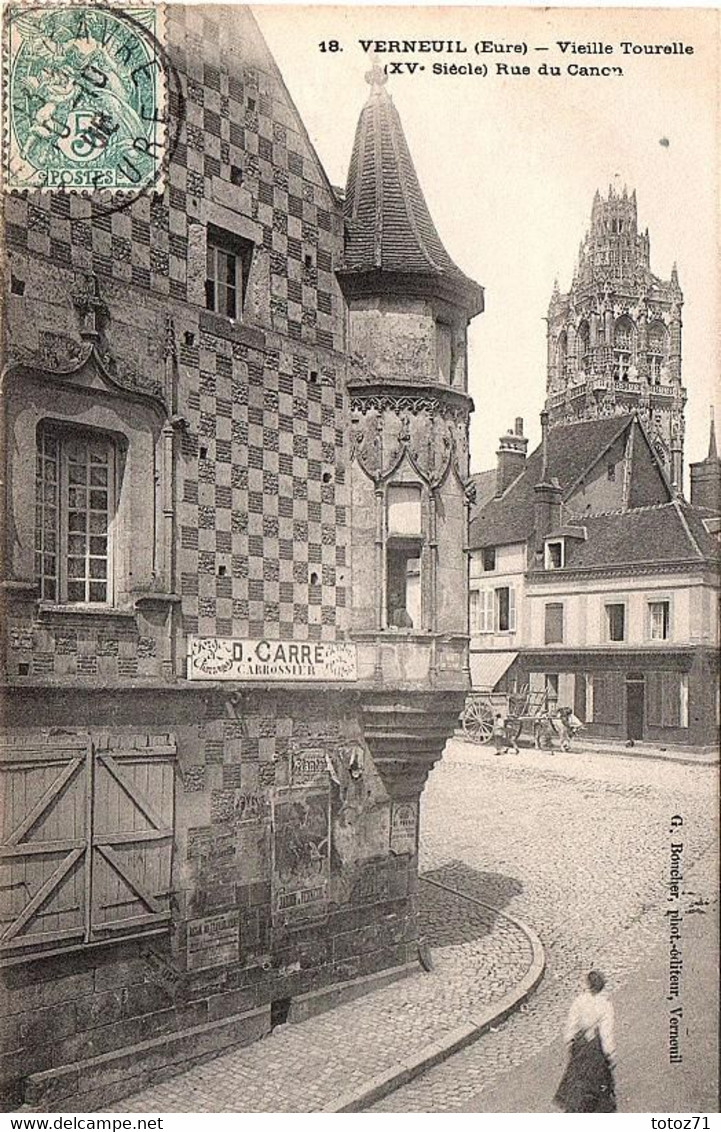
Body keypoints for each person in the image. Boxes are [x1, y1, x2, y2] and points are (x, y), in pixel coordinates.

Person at [554, 970, 617, 1112]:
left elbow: (572, 1022)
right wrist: (610, 1053)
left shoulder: (580, 1001)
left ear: (588, 984)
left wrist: (570, 1039)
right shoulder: (605, 1005)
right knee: (597, 1076)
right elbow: (606, 1032)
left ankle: (576, 1104)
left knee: (577, 1074)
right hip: (594, 1045)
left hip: (580, 1043)